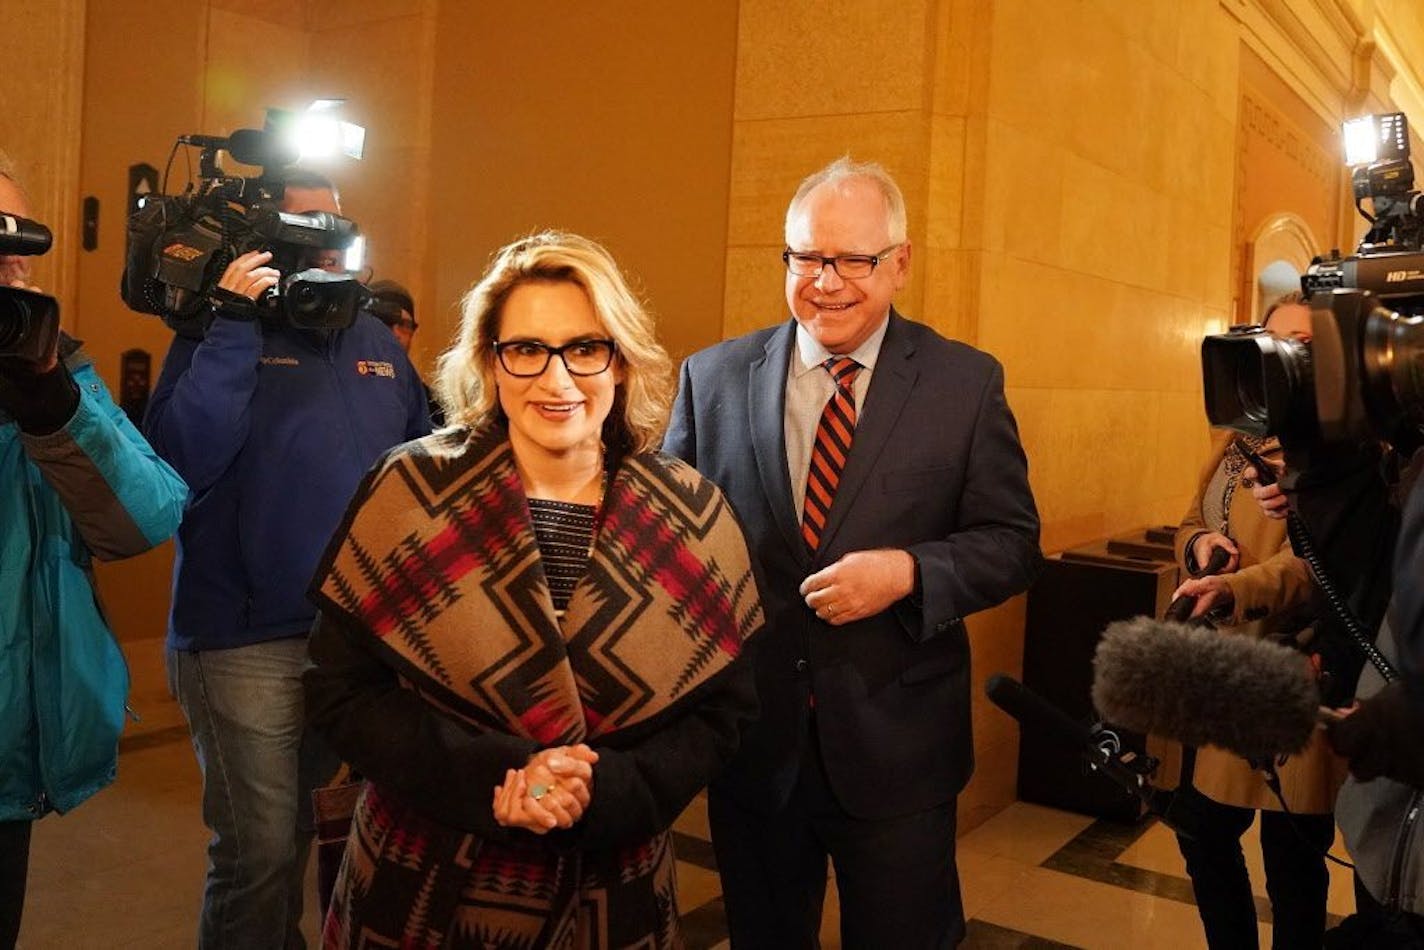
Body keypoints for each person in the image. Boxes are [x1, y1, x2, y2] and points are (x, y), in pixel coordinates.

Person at [302, 230, 763, 947]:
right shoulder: (409, 491)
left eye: (585, 348)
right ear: (490, 361)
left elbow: (723, 715)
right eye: (526, 350)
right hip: (422, 883)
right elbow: (341, 693)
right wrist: (499, 774)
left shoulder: (690, 512)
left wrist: (613, 791)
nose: (557, 382)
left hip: (614, 886)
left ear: (621, 362)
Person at [664, 157, 1042, 948]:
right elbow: (672, 543)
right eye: (806, 257)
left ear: (899, 263)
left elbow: (1012, 545)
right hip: (754, 749)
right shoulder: (714, 378)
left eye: (853, 261)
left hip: (899, 752)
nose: (826, 282)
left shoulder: (963, 384)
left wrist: (910, 572)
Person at [143, 168, 431, 949]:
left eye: (336, 227)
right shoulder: (213, 329)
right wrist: (234, 321)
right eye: (305, 227)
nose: (326, 243)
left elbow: (425, 455)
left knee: (305, 832)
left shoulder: (371, 337)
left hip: (348, 638)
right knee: (258, 853)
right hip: (243, 642)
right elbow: (179, 466)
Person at [0, 155, 186, 947]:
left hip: (9, 755)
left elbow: (147, 518)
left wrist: (53, 408)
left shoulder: (49, 367)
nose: (9, 272)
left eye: (16, 251)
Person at [1165, 291, 1346, 950]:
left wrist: (1232, 588)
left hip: (1295, 673)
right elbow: (1191, 518)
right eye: (1276, 341)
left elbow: (1316, 567)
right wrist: (1199, 549)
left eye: (1305, 342)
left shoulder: (1341, 448)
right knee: (1204, 834)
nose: (1287, 356)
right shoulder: (1239, 438)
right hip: (1220, 675)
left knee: (1293, 859)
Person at [366, 277, 444, 424]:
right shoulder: (342, 386)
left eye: (404, 325)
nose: (396, 334)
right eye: (386, 322)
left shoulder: (430, 404)